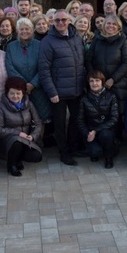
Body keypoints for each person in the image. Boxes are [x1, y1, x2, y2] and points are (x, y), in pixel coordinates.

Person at [38, 9, 86, 166]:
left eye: (64, 20)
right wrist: (51, 91)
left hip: (77, 89)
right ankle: (63, 152)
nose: (60, 23)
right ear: (52, 22)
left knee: (75, 120)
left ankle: (73, 148)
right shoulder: (48, 41)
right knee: (59, 124)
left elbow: (81, 62)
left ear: (69, 21)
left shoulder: (76, 37)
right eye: (57, 20)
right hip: (58, 91)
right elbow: (44, 69)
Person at [85, 14, 127, 126]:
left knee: (117, 113)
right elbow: (89, 60)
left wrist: (113, 79)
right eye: (108, 23)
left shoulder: (123, 40)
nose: (111, 26)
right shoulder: (97, 40)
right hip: (99, 83)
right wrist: (95, 78)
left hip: (118, 83)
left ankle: (118, 138)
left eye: (114, 24)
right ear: (104, 25)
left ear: (119, 26)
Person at [0, 77, 43, 177]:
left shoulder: (29, 104)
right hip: (9, 140)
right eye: (12, 93)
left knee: (36, 157)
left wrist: (33, 136)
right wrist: (17, 133)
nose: (15, 96)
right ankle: (12, 165)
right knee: (16, 142)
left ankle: (18, 158)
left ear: (23, 93)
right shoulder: (1, 107)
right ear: (7, 93)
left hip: (27, 139)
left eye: (18, 93)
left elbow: (38, 123)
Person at [77, 71, 119, 168]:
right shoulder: (84, 99)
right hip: (90, 131)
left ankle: (109, 157)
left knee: (105, 135)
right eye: (91, 81)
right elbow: (80, 120)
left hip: (105, 130)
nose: (94, 83)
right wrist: (87, 133)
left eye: (97, 81)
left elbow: (114, 118)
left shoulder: (111, 96)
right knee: (95, 152)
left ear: (102, 82)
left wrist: (96, 131)